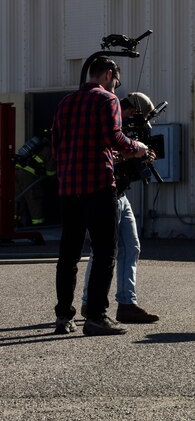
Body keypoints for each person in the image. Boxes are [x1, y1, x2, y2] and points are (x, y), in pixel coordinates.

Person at [52, 57, 149, 336]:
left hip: (69, 187)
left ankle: (63, 317)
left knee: (68, 254)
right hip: (97, 184)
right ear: (108, 75)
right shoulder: (108, 101)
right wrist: (138, 147)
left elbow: (56, 146)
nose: (116, 89)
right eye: (115, 83)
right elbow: (113, 137)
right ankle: (95, 317)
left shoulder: (65, 102)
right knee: (106, 251)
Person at [81, 92, 159, 324]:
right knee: (102, 252)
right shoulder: (110, 126)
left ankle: (126, 303)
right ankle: (90, 302)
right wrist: (131, 153)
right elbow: (106, 157)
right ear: (133, 111)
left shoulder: (124, 131)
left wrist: (142, 156)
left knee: (131, 247)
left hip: (121, 196)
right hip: (107, 195)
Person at [14, 132, 56, 226]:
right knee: (34, 198)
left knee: (18, 197)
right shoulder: (49, 150)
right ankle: (38, 223)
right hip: (28, 175)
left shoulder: (34, 145)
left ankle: (14, 221)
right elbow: (50, 172)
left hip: (16, 170)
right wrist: (53, 181)